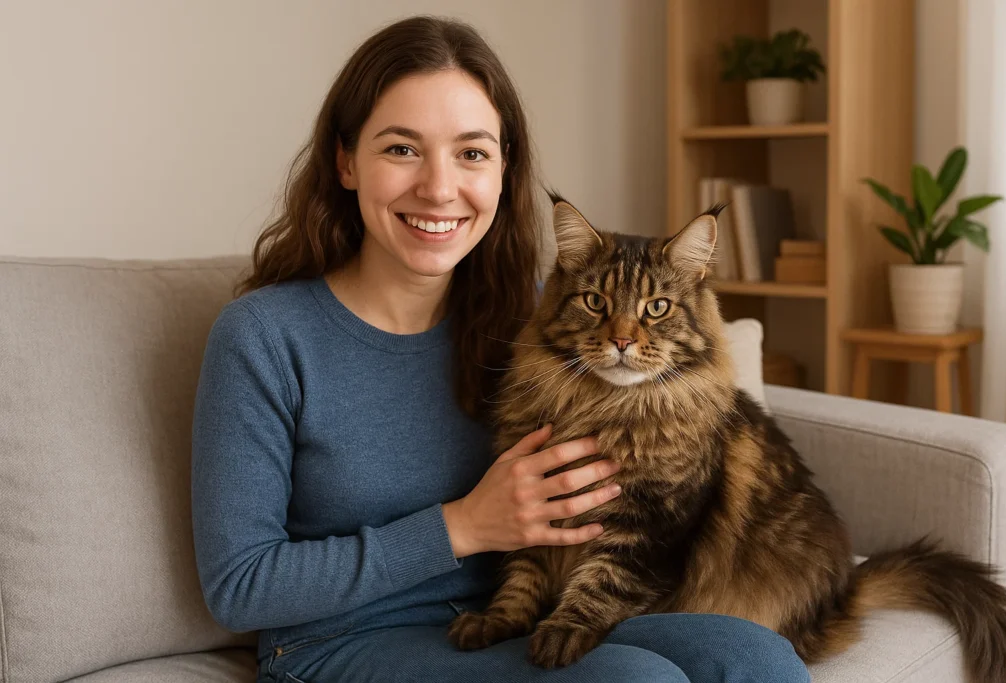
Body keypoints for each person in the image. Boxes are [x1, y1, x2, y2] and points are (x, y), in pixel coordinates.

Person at [191, 15, 810, 683]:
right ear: (345, 161)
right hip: (338, 642)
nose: (438, 186)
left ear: (503, 170)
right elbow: (240, 586)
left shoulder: (535, 315)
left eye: (472, 152)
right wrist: (461, 526)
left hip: (512, 613)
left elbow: (665, 394)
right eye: (401, 149)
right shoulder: (263, 335)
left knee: (754, 657)